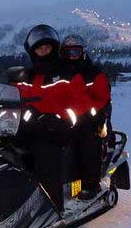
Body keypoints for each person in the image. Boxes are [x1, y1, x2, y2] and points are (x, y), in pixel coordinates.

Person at [13, 24, 80, 211]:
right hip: (29, 129)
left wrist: (59, 119)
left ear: (54, 48)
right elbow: (12, 98)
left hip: (59, 130)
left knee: (44, 154)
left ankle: (52, 209)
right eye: (39, 48)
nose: (44, 50)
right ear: (33, 51)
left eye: (47, 47)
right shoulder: (27, 76)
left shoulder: (67, 74)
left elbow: (78, 105)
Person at [59, 34, 112, 200]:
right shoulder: (58, 74)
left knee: (88, 142)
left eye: (75, 52)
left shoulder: (93, 74)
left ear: (82, 53)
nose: (71, 56)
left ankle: (91, 184)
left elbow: (103, 99)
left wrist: (97, 116)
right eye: (68, 53)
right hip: (65, 119)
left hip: (90, 119)